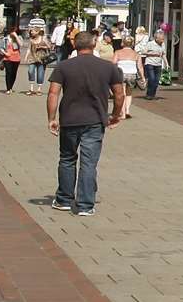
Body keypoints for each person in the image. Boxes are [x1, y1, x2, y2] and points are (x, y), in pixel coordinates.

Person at [47, 32, 126, 216]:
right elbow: (119, 94)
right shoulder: (108, 67)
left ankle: (64, 199)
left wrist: (51, 118)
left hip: (69, 119)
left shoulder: (64, 66)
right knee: (88, 163)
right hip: (95, 120)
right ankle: (85, 205)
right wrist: (115, 115)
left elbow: (53, 93)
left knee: (67, 159)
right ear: (94, 44)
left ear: (74, 44)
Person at [113, 36, 139, 119]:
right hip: (132, 74)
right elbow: (140, 67)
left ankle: (123, 113)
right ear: (132, 44)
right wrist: (142, 77)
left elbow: (113, 63)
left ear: (122, 43)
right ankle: (127, 110)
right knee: (129, 93)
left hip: (121, 74)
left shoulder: (118, 52)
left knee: (122, 93)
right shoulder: (136, 54)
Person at [26, 25, 54, 95]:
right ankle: (31, 89)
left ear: (37, 32)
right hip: (32, 57)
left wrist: (42, 46)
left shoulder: (43, 38)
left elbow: (50, 47)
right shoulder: (31, 39)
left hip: (42, 58)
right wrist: (26, 56)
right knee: (30, 71)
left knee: (40, 73)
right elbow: (29, 48)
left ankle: (39, 89)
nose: (31, 32)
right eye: (31, 31)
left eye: (33, 31)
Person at [141, 28, 167, 100]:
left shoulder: (163, 44)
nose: (162, 41)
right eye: (161, 39)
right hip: (150, 63)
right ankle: (149, 94)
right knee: (152, 79)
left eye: (163, 39)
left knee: (156, 81)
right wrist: (152, 53)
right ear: (156, 38)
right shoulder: (150, 44)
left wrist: (166, 63)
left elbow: (163, 54)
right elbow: (143, 52)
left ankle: (153, 94)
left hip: (158, 64)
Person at [0, 27, 24, 94]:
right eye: (12, 32)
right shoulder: (5, 39)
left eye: (15, 32)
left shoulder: (18, 38)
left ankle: (11, 87)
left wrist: (16, 37)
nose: (13, 33)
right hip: (7, 58)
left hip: (16, 58)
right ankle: (8, 88)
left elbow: (21, 44)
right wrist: (5, 53)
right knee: (8, 73)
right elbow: (1, 48)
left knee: (14, 73)